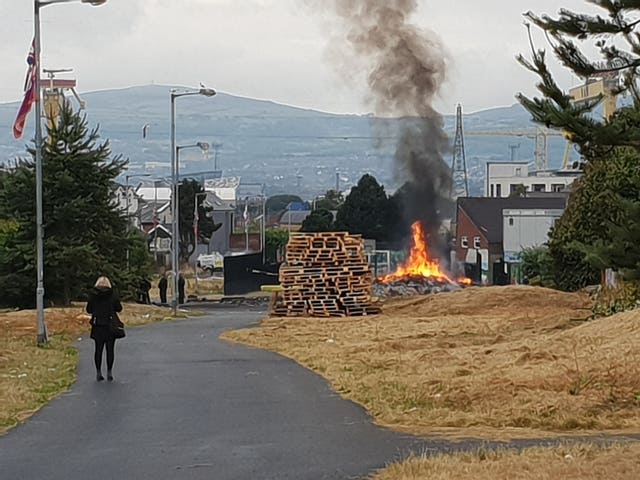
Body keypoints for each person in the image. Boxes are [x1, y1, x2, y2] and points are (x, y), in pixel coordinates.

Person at [86, 276, 123, 382]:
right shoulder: (112, 294)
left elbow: (89, 310)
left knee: (98, 349)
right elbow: (119, 308)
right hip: (110, 324)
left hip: (97, 324)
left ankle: (98, 372)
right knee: (110, 349)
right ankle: (109, 372)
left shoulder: (93, 295)